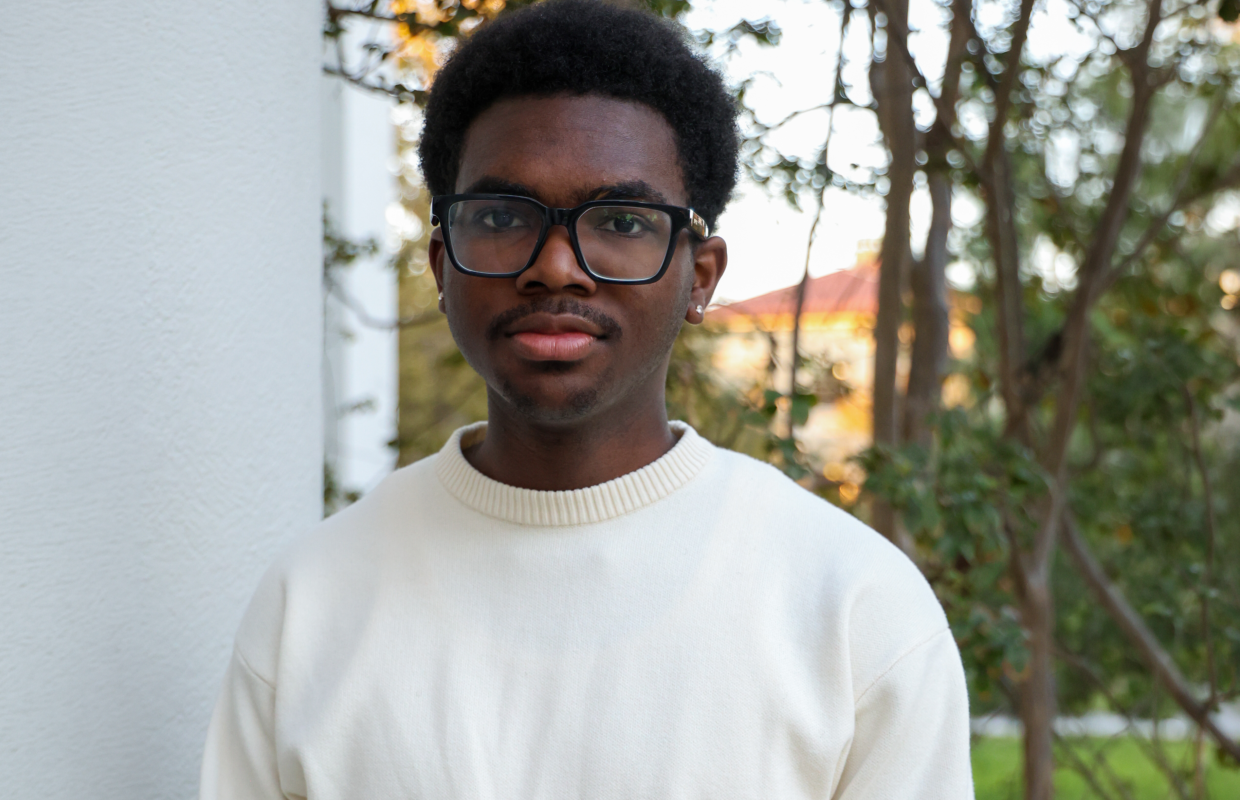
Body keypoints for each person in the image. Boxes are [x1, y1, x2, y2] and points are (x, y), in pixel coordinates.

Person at [199, 1, 974, 797]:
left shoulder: (849, 607)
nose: (558, 267)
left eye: (622, 221)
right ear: (441, 265)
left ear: (699, 277)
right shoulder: (313, 603)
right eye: (502, 216)